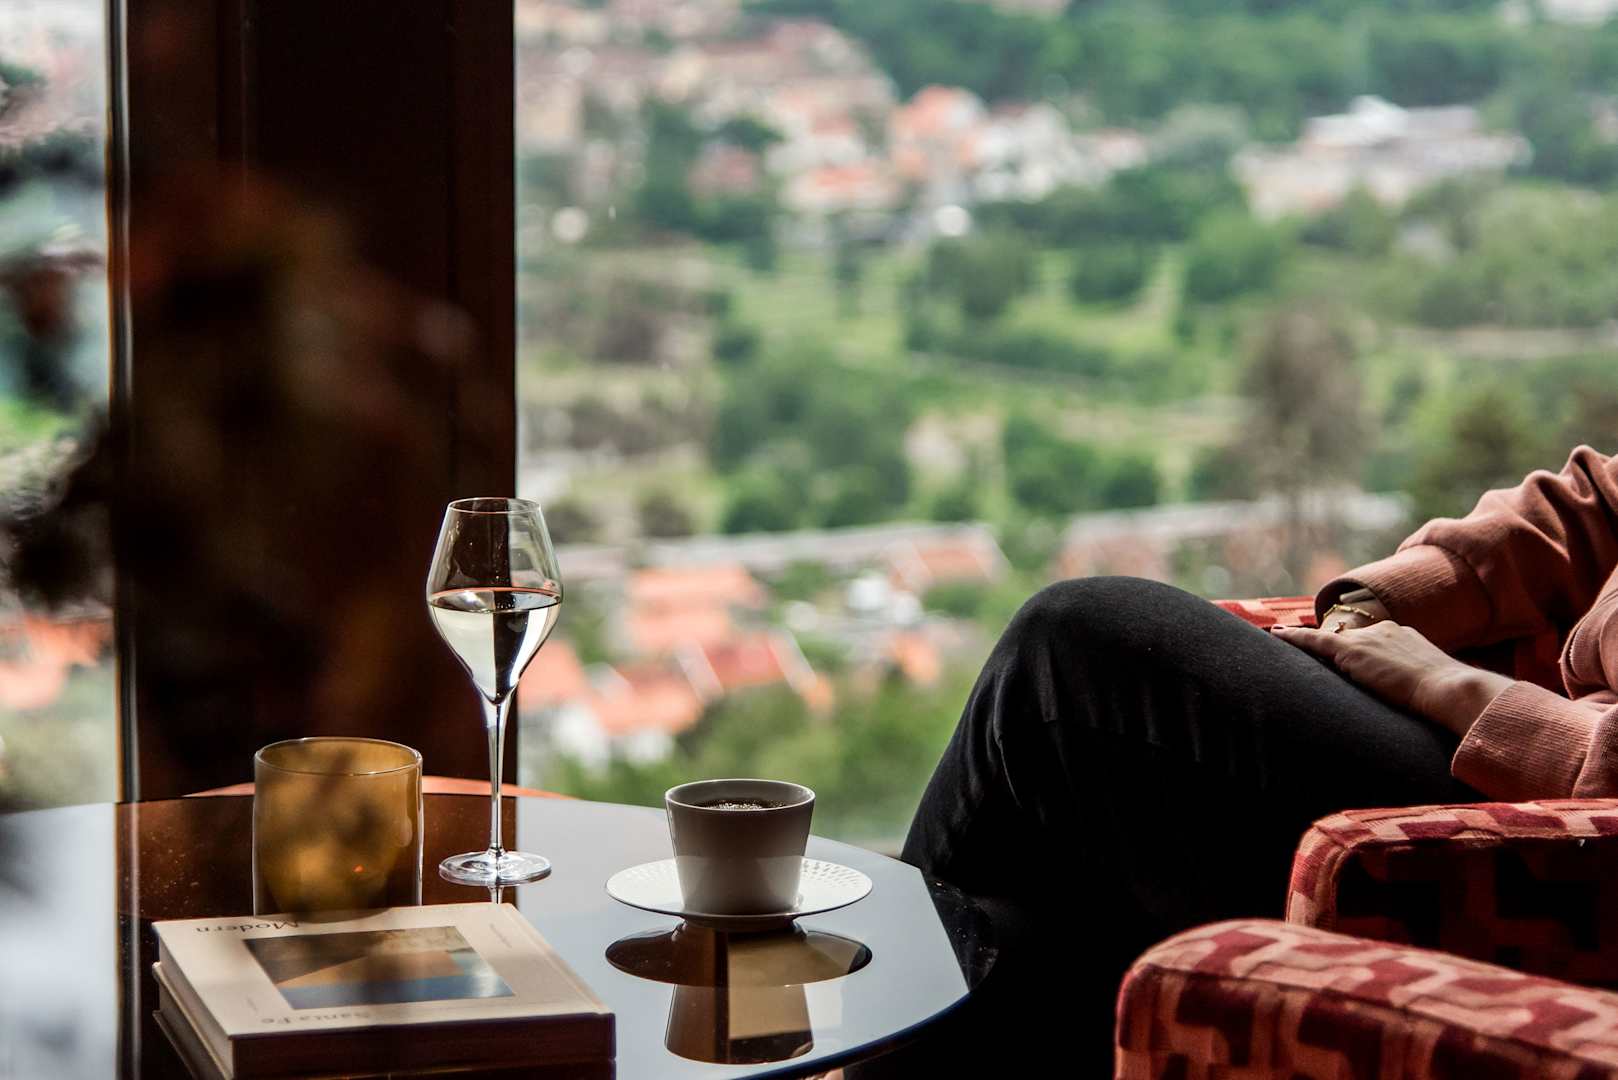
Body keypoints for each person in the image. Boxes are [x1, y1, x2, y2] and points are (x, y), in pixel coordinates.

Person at [900, 445, 1618, 1070]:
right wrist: (1378, 604)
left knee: (1068, 653)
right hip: (1518, 743)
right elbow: (1596, 504)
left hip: (1570, 832)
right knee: (1038, 925)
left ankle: (874, 1006)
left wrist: (1456, 688)